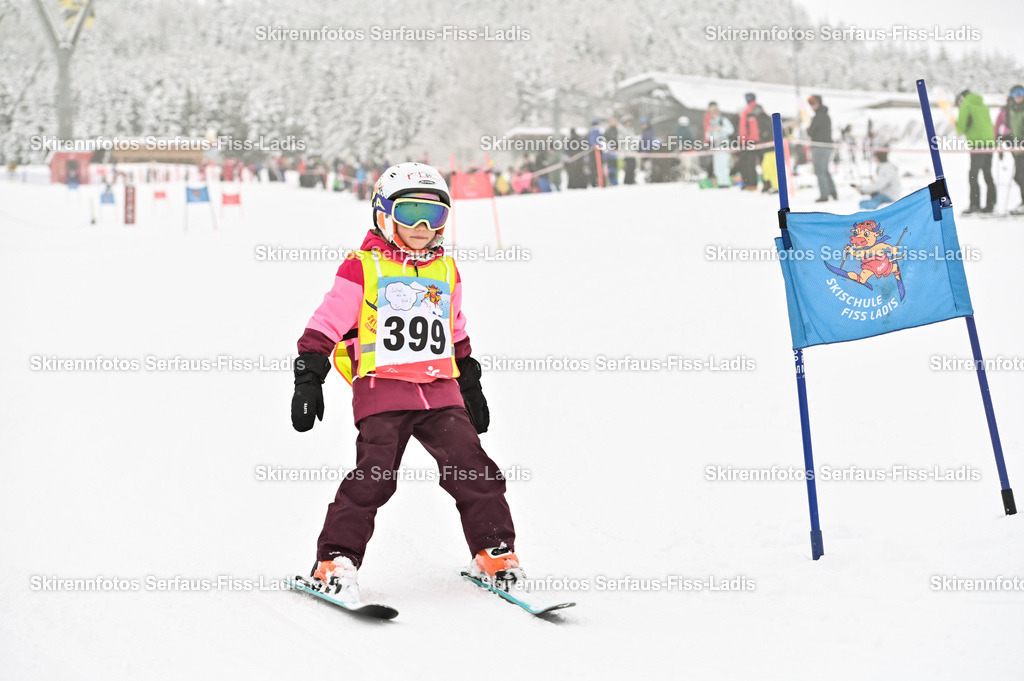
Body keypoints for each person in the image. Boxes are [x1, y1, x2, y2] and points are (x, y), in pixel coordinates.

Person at [290, 162, 521, 602]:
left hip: (440, 388)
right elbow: (325, 324)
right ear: (383, 214)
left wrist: (469, 381)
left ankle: (495, 553)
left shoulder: (445, 270)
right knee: (374, 476)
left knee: (474, 469)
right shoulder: (363, 267)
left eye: (433, 216)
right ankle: (334, 562)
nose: (420, 226)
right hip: (382, 388)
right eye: (410, 212)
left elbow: (454, 330)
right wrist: (309, 376)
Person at [956, 89, 997, 214]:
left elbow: (961, 128)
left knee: (973, 175)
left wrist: (956, 124)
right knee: (987, 174)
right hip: (989, 144)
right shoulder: (983, 106)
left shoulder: (966, 106)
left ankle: (975, 205)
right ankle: (990, 204)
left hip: (978, 145)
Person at [994, 84, 1024, 215]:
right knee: (1019, 176)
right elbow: (1006, 127)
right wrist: (1005, 137)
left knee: (1020, 176)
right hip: (1017, 149)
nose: (1018, 96)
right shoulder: (1010, 109)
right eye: (1015, 93)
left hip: (1021, 147)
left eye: (1021, 92)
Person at [807, 94, 837, 203]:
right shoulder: (825, 115)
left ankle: (824, 195)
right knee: (825, 171)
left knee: (820, 171)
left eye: (813, 103)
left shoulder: (819, 116)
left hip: (820, 146)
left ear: (819, 103)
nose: (812, 106)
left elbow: (811, 132)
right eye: (810, 104)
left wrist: (808, 128)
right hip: (826, 146)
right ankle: (833, 192)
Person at [705, 102, 734, 188]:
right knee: (717, 167)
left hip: (724, 145)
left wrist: (721, 129)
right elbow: (708, 136)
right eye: (711, 111)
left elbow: (731, 130)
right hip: (716, 147)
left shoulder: (723, 120)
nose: (713, 112)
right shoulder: (711, 122)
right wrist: (710, 131)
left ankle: (726, 183)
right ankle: (721, 183)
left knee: (724, 165)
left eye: (715, 110)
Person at [737, 92, 761, 191]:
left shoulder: (751, 110)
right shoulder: (756, 109)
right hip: (753, 140)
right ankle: (750, 183)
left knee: (749, 163)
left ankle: (751, 184)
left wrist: (743, 141)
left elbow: (746, 128)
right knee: (750, 163)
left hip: (749, 141)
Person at [620, 115, 638, 184]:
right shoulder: (622, 130)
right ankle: (627, 181)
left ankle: (631, 180)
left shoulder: (631, 129)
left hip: (632, 152)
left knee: (633, 166)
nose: (629, 123)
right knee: (628, 167)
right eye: (628, 121)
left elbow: (634, 139)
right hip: (627, 152)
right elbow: (621, 139)